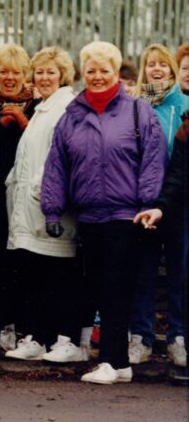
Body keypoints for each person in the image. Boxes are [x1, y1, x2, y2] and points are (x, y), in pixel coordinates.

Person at [42, 41, 167, 385]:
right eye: (91, 70)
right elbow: (57, 166)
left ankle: (110, 360)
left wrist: (147, 204)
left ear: (116, 73)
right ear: (84, 73)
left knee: (116, 288)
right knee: (100, 287)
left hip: (128, 216)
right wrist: (52, 210)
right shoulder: (73, 115)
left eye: (105, 70)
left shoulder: (138, 111)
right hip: (90, 217)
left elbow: (154, 161)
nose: (97, 77)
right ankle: (121, 364)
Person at [4, 47, 86, 363]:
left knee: (59, 275)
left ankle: (65, 341)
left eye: (51, 71)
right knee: (36, 274)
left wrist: (42, 192)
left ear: (63, 74)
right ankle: (38, 337)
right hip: (29, 208)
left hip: (50, 206)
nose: (44, 77)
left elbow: (60, 158)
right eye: (39, 72)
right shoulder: (42, 108)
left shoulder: (66, 107)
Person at [128, 44, 188, 367]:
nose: (156, 70)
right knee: (144, 272)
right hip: (144, 201)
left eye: (162, 65)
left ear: (171, 69)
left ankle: (178, 337)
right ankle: (142, 337)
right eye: (150, 65)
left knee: (179, 272)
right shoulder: (136, 107)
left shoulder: (186, 105)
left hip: (178, 203)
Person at [0, 43, 37, 358]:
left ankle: (24, 332)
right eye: (3, 71)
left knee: (23, 264)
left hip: (28, 196)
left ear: (25, 74)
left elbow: (43, 147)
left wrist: (23, 123)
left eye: (16, 72)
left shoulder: (37, 106)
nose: (9, 77)